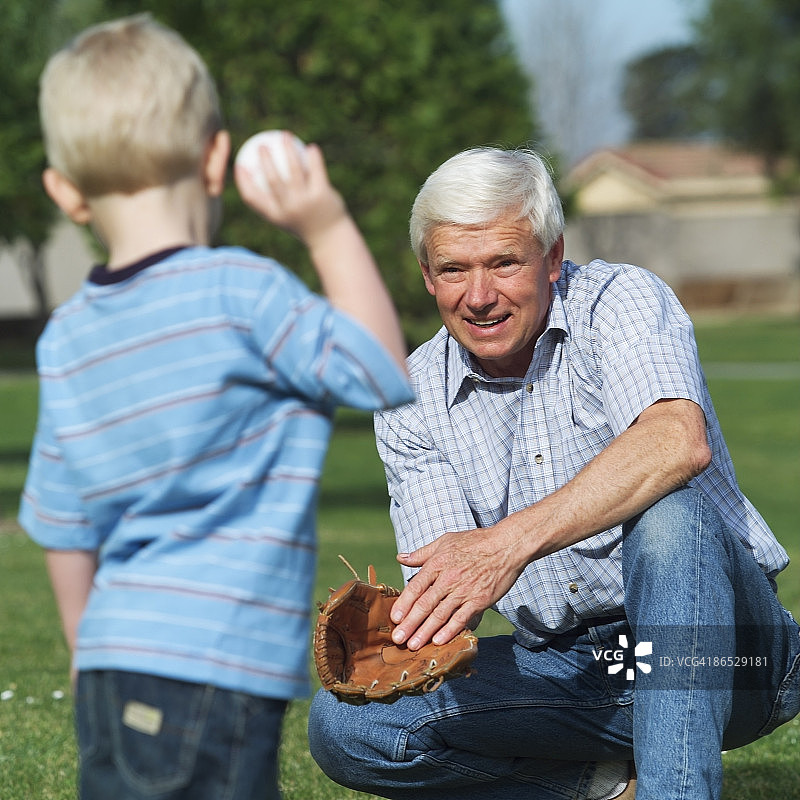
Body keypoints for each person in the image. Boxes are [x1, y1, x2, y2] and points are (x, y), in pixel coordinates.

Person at [308, 147, 800, 800]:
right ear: (427, 275)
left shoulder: (619, 301)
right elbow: (451, 590)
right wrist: (418, 629)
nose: (479, 296)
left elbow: (676, 443)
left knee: (672, 516)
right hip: (580, 671)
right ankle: (595, 785)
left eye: (503, 263)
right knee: (348, 726)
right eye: (454, 269)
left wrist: (508, 543)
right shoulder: (411, 397)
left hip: (730, 660)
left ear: (552, 255)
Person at [18, 14, 414, 800]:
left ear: (64, 192)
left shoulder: (66, 336)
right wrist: (325, 223)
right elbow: (382, 372)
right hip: (215, 662)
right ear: (214, 158)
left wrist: (84, 647)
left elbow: (62, 521)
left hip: (109, 659)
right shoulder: (242, 292)